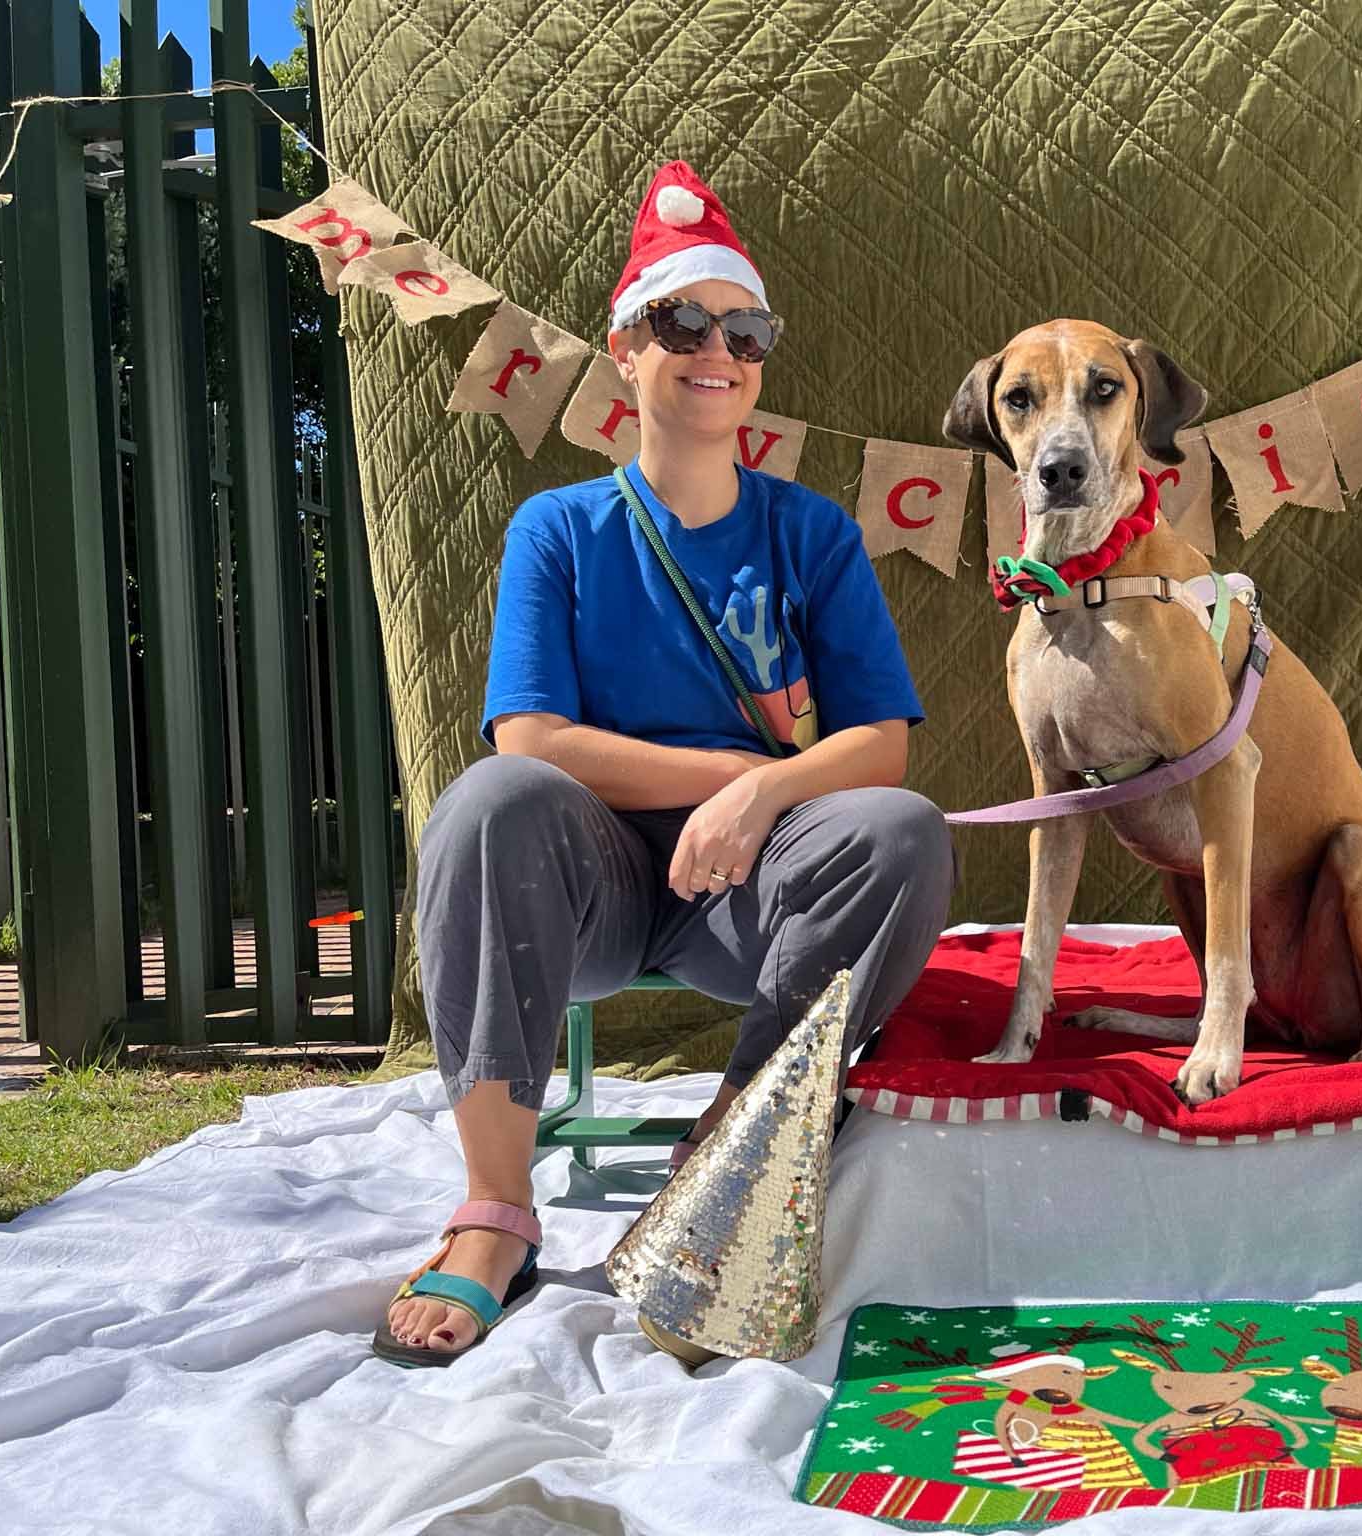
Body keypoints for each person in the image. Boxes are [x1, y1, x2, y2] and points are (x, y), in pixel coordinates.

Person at [375, 162, 955, 1365]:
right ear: (625, 349)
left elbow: (880, 743)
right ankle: (494, 1212)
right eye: (685, 320)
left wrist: (764, 791)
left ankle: (723, 1169)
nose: (721, 349)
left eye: (746, 329)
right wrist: (718, 781)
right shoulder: (559, 528)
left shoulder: (811, 531)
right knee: (490, 801)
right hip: (586, 886)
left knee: (898, 831)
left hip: (750, 889)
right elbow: (530, 738)